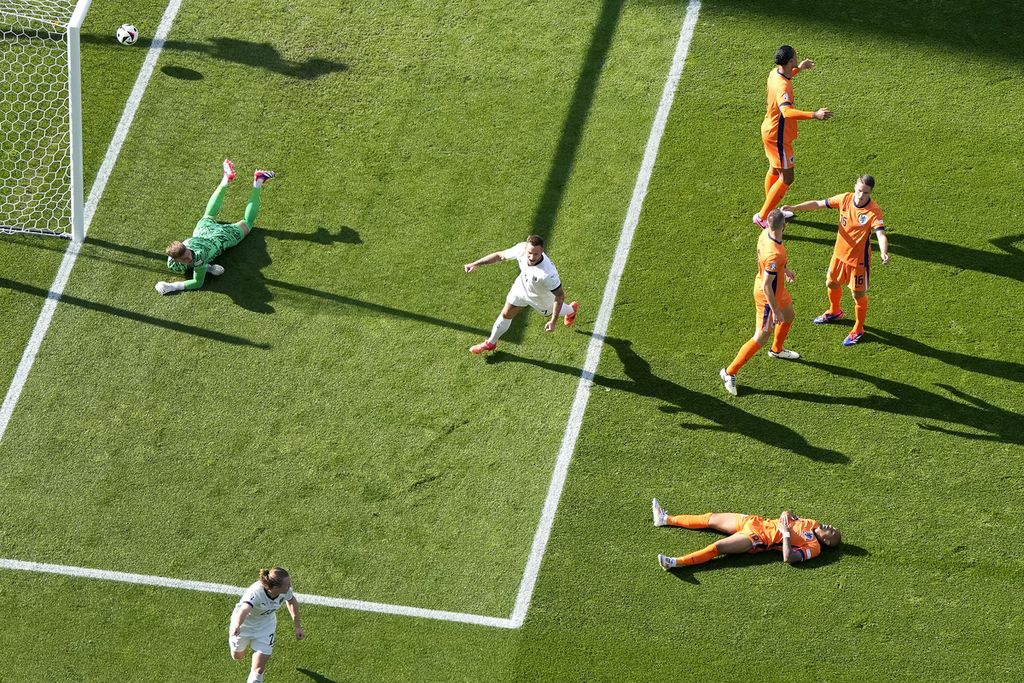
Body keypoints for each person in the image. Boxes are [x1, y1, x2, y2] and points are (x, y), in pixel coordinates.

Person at [783, 174, 890, 346]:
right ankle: (835, 311)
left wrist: (884, 252)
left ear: (870, 193)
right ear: (855, 186)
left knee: (857, 294)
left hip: (858, 262)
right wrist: (795, 207)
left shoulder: (873, 211)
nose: (861, 195)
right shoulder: (845, 199)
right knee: (831, 283)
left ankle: (858, 329)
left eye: (865, 193)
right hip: (839, 255)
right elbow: (818, 204)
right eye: (859, 190)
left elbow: (881, 234)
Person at [155, 159, 276, 295]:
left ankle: (258, 182)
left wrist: (173, 286)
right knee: (208, 215)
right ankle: (225, 179)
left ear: (187, 248)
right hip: (202, 231)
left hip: (221, 237)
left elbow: (197, 283)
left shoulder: (198, 257)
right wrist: (208, 268)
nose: (189, 258)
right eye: (184, 258)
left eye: (187, 254)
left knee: (248, 223)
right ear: (175, 259)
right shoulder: (174, 262)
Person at [753, 45, 832, 230]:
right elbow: (786, 112)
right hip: (778, 137)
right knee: (787, 177)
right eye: (795, 58)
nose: (797, 58)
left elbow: (786, 76)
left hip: (770, 131)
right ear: (789, 61)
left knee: (774, 169)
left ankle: (770, 210)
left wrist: (800, 68)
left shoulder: (775, 73)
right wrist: (815, 114)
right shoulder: (783, 87)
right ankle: (763, 217)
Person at [720, 209, 798, 397]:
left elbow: (771, 264)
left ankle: (777, 350)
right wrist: (774, 309)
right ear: (784, 226)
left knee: (789, 316)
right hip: (768, 295)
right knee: (761, 335)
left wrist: (785, 270)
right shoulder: (775, 254)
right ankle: (729, 373)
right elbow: (765, 286)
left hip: (777, 288)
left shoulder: (765, 234)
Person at [463, 234, 579, 353]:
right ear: (525, 249)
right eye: (529, 253)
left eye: (536, 254)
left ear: (542, 251)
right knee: (506, 314)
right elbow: (499, 256)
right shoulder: (521, 249)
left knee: (550, 313)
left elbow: (559, 296)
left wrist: (553, 321)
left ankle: (571, 310)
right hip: (521, 288)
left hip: (540, 298)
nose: (532, 257)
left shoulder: (547, 274)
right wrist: (475, 264)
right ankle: (490, 343)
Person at [652, 499, 841, 569]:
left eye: (833, 533)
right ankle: (665, 519)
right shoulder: (813, 523)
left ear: (827, 542)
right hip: (754, 522)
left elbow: (788, 558)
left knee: (717, 547)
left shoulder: (814, 548)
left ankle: (676, 562)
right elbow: (792, 516)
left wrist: (785, 534)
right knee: (710, 518)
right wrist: (786, 513)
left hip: (757, 539)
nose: (832, 527)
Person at [228, 567, 304, 683]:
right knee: (238, 656)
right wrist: (237, 625)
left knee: (258, 669)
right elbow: (244, 609)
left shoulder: (285, 591)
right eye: (287, 584)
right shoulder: (256, 592)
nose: (290, 586)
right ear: (275, 588)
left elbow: (292, 601)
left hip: (265, 627)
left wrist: (297, 626)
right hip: (244, 626)